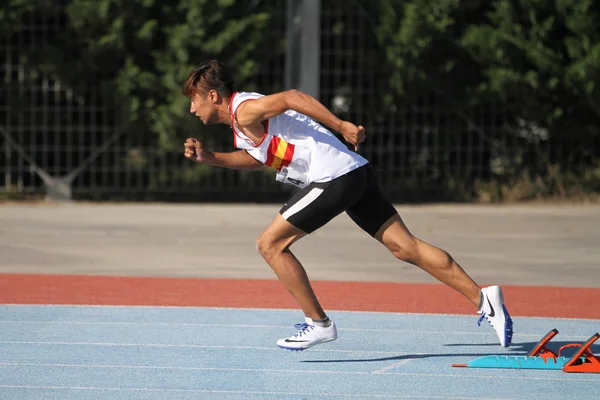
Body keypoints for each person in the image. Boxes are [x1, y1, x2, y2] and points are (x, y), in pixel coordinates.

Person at [182, 60, 513, 351]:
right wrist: (209, 158)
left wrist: (341, 126)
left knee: (270, 245)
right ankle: (483, 299)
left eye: (194, 101)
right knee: (405, 247)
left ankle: (319, 325)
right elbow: (258, 158)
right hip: (355, 172)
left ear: (213, 96)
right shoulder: (243, 125)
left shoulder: (243, 110)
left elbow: (291, 97)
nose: (192, 110)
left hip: (334, 177)